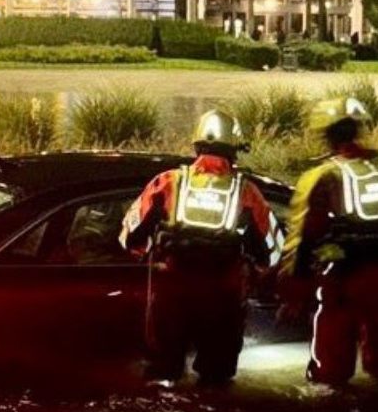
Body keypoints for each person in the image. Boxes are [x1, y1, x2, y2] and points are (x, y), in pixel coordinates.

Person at [279, 97, 378, 386]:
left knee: (330, 375)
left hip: (342, 282)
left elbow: (304, 239)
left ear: (326, 136)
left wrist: (294, 294)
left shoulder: (323, 176)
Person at [118, 110, 281, 384]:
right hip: (222, 300)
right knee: (216, 381)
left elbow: (129, 236)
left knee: (163, 377)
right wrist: (253, 269)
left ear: (197, 144)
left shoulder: (167, 182)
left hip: (171, 295)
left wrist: (152, 254)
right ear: (234, 148)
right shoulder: (247, 193)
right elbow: (272, 253)